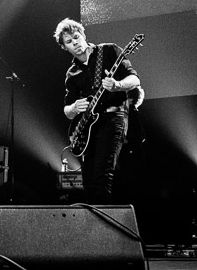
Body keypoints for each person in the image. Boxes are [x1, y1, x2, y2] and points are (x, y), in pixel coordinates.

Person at [54, 18, 140, 205]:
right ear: (64, 47)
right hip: (89, 128)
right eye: (69, 41)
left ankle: (102, 220)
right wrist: (75, 107)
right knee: (88, 180)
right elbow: (67, 111)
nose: (75, 42)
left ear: (83, 35)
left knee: (102, 175)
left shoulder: (108, 51)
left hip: (113, 117)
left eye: (76, 37)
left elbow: (134, 79)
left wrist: (117, 85)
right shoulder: (72, 73)